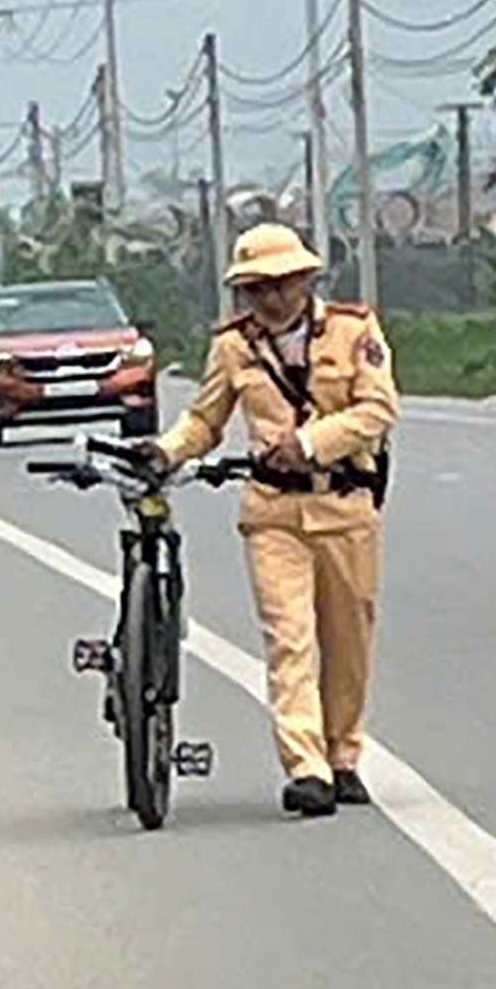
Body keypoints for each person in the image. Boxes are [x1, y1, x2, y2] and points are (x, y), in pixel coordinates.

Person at [148, 224, 399, 818]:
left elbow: (378, 409)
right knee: (289, 639)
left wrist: (311, 444)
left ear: (307, 279)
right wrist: (166, 451)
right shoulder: (234, 346)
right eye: (257, 288)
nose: (271, 298)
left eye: (282, 284)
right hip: (271, 512)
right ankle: (305, 766)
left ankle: (342, 756)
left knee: (348, 641)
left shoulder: (352, 329)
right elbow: (205, 419)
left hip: (344, 505)